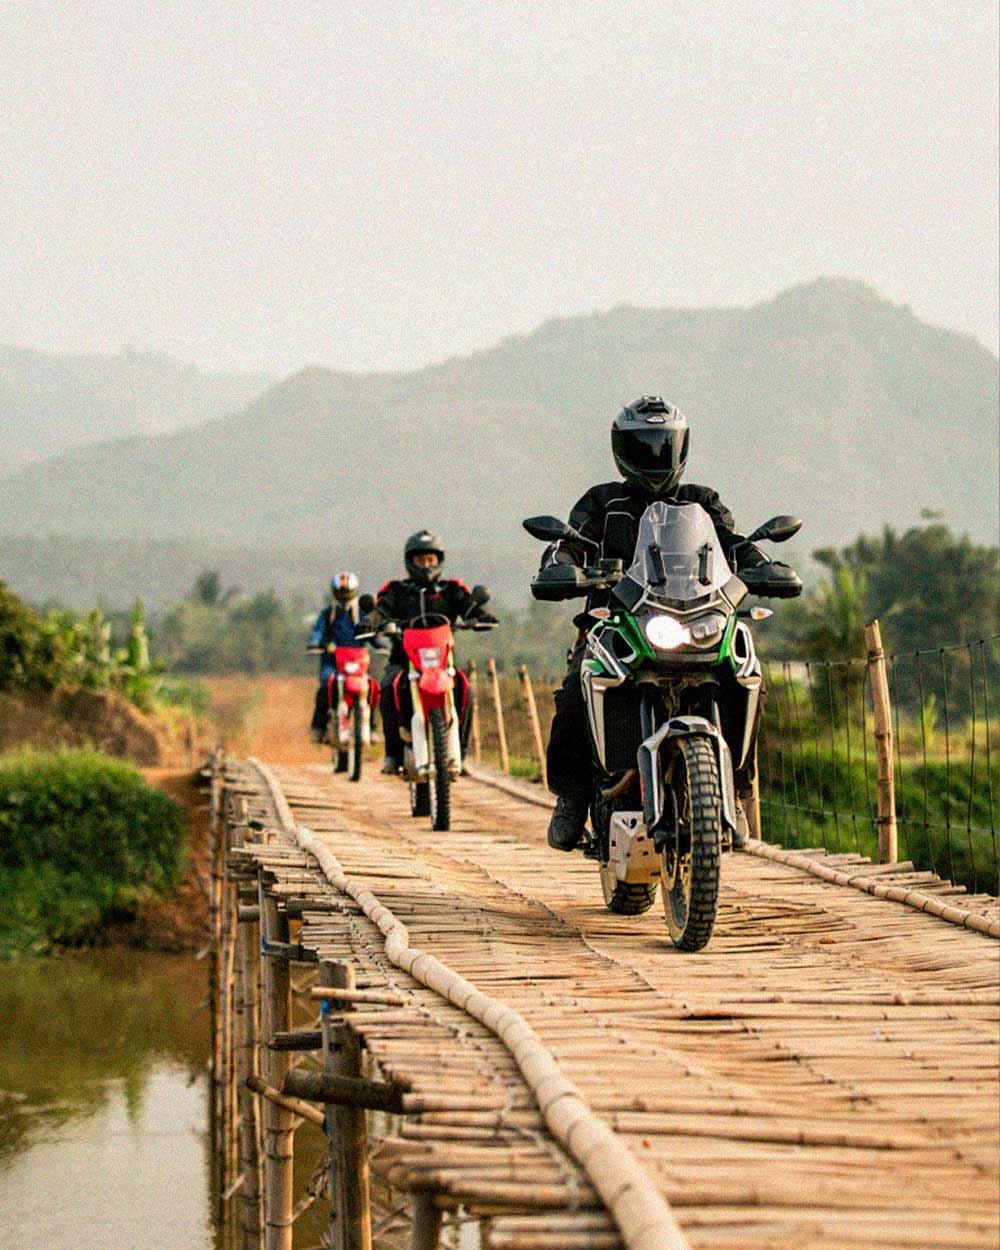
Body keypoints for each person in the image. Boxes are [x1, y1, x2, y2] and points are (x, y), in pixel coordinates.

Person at [538, 396, 801, 851]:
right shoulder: (602, 502)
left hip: (697, 620)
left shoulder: (702, 502)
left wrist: (762, 565)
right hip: (615, 623)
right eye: (645, 445)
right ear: (623, 450)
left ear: (682, 447)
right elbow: (571, 544)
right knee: (575, 692)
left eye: (664, 444)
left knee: (747, 680)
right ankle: (573, 796)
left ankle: (736, 787)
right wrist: (561, 566)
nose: (655, 455)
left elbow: (734, 544)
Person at [365, 531, 497, 773]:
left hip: (442, 661)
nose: (426, 565)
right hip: (404, 659)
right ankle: (392, 754)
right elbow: (381, 609)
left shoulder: (451, 588)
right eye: (421, 560)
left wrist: (481, 616)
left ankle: (461, 753)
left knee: (465, 688)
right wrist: (372, 621)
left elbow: (468, 607)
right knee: (389, 687)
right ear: (410, 562)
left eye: (430, 560)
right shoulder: (397, 589)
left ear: (439, 561)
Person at [307, 572, 363, 741]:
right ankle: (319, 727)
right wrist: (315, 643)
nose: (344, 596)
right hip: (332, 662)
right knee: (326, 686)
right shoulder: (328, 613)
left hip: (356, 662)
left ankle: (371, 726)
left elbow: (371, 632)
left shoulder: (361, 613)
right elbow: (318, 631)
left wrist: (381, 643)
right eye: (341, 593)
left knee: (369, 688)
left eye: (347, 592)